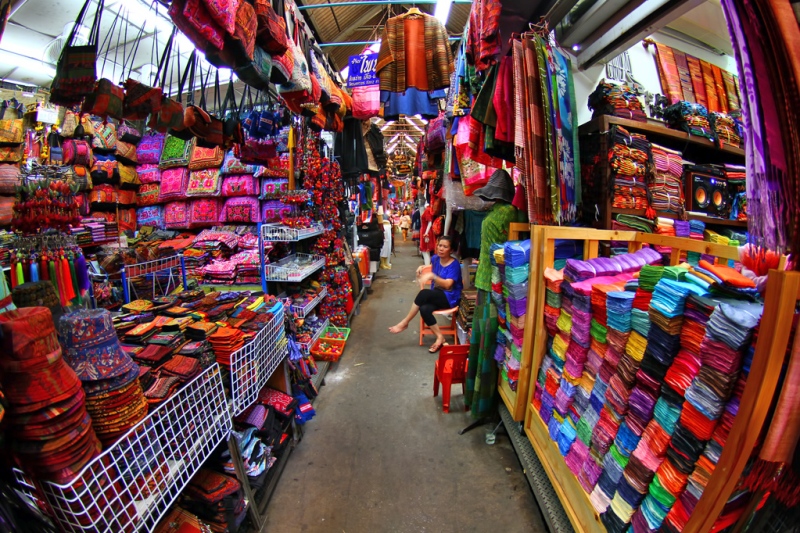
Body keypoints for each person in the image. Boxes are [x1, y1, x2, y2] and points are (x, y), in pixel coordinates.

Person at [389, 236, 463, 352]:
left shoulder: (454, 265)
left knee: (423, 294)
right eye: (439, 245)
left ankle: (405, 322)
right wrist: (422, 267)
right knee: (424, 309)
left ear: (451, 250)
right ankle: (440, 337)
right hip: (437, 294)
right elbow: (433, 268)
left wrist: (433, 276)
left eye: (445, 247)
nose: (441, 249)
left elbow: (448, 285)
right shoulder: (435, 259)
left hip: (450, 298)